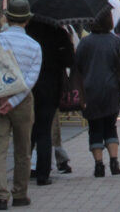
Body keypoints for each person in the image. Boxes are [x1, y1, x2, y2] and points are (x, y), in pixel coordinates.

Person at [0, 0, 42, 211]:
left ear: (6, 18)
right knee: (23, 148)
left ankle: (0, 196)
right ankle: (20, 194)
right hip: (23, 101)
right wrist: (14, 100)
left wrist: (0, 96)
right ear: (27, 21)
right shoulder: (34, 46)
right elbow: (31, 80)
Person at [75, 7, 120, 178]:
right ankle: (114, 160)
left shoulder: (85, 43)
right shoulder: (116, 41)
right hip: (112, 90)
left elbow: (76, 65)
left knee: (95, 127)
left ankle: (98, 164)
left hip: (89, 90)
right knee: (110, 126)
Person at [26, 15, 74, 187]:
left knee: (27, 131)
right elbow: (69, 60)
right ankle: (43, 175)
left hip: (26, 87)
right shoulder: (58, 32)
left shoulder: (28, 31)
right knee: (44, 130)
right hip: (50, 86)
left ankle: (22, 171)